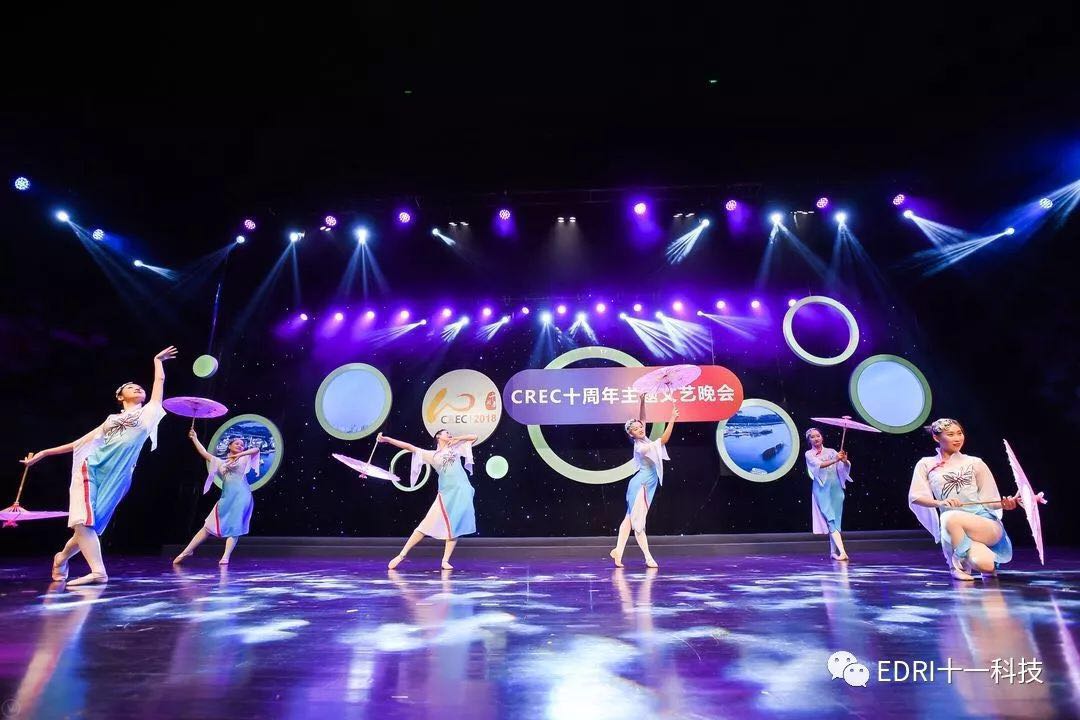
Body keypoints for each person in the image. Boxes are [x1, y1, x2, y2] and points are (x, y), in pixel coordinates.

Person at [21, 346, 178, 586]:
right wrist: (43, 453)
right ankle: (98, 572)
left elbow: (160, 381)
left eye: (140, 386)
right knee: (83, 521)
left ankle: (61, 558)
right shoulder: (111, 420)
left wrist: (158, 361)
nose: (137, 388)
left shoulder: (149, 413)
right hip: (92, 468)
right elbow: (79, 443)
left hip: (119, 477)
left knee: (89, 527)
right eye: (130, 387)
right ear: (120, 397)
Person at [909, 418, 1019, 581]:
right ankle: (963, 562)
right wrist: (940, 503)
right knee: (985, 566)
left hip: (983, 523)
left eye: (959, 433)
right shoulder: (926, 464)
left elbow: (990, 500)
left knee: (950, 516)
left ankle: (958, 560)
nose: (957, 438)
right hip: (952, 527)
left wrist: (1006, 504)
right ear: (936, 437)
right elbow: (916, 496)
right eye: (950, 434)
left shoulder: (975, 462)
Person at [379, 429, 478, 570]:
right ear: (438, 436)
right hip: (446, 494)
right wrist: (387, 439)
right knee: (426, 525)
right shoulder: (432, 455)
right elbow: (409, 447)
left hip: (462, 491)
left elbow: (474, 436)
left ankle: (445, 561)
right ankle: (401, 555)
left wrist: (457, 438)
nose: (449, 434)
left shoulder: (456, 448)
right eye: (446, 433)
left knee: (455, 527)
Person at [172, 429, 261, 565]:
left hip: (242, 496)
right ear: (229, 446)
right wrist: (195, 438)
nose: (240, 445)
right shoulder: (220, 462)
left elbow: (256, 449)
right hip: (226, 497)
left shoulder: (244, 458)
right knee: (208, 526)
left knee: (235, 526)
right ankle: (187, 551)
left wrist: (240, 454)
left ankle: (226, 556)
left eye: (242, 445)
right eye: (237, 443)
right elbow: (204, 453)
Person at [610, 395, 678, 568]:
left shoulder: (643, 438)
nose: (640, 429)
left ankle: (618, 552)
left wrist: (642, 402)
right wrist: (672, 418)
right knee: (639, 524)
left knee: (629, 519)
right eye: (635, 429)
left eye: (640, 427)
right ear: (631, 434)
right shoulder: (642, 447)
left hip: (645, 483)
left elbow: (643, 419)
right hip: (641, 486)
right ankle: (648, 557)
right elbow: (664, 440)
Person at [803, 428, 852, 561]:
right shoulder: (809, 454)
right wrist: (835, 460)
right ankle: (843, 552)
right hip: (822, 490)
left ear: (822, 437)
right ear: (809, 440)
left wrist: (844, 461)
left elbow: (842, 468)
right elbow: (818, 465)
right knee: (830, 518)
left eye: (818, 436)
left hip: (836, 489)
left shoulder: (831, 451)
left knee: (836, 521)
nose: (816, 438)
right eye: (812, 437)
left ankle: (833, 552)